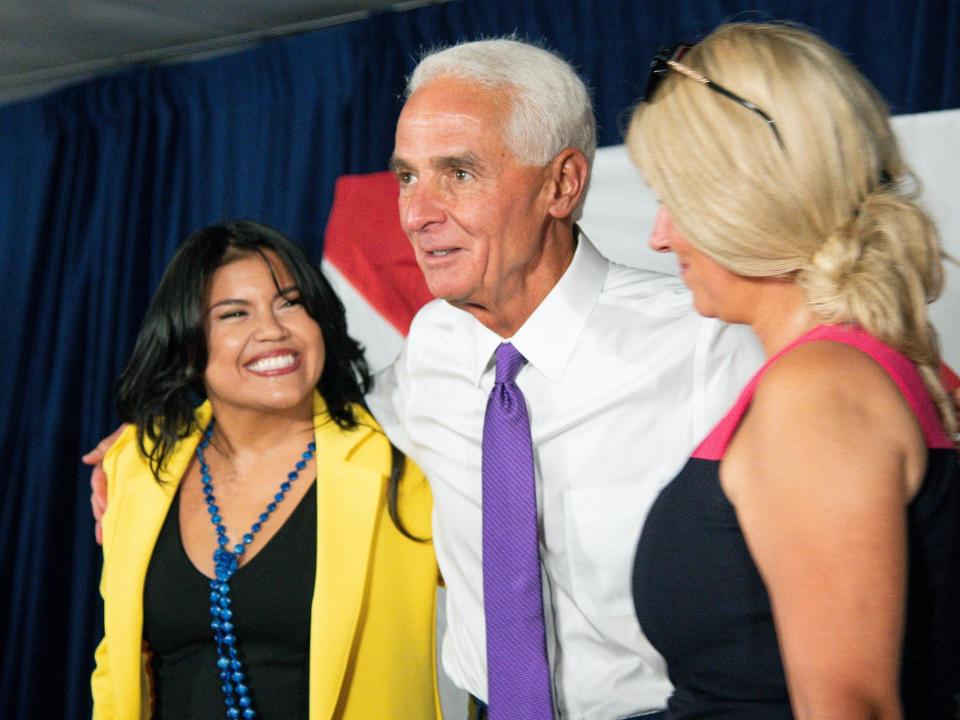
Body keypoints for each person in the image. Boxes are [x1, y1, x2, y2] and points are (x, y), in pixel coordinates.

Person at [628, 23, 960, 719]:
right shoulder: (863, 372)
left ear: (743, 198)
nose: (658, 236)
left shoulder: (818, 395)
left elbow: (851, 707)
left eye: (673, 200)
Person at [90, 221, 440, 719]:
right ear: (189, 345)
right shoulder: (137, 466)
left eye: (290, 303)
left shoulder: (401, 460)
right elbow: (115, 668)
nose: (273, 330)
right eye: (234, 313)